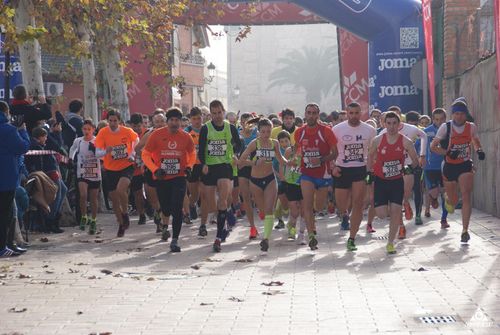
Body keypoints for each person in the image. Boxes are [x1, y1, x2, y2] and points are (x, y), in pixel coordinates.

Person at [142, 107, 196, 252]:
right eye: (171, 120)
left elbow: (192, 153)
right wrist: (155, 169)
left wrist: (190, 166)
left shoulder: (186, 137)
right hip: (162, 177)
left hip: (179, 177)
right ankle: (165, 225)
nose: (174, 123)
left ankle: (175, 240)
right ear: (167, 121)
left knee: (177, 207)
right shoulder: (156, 135)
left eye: (177, 120)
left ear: (180, 121)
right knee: (165, 207)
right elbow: (145, 154)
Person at [430, 101, 485, 243]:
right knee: (454, 201)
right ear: (452, 114)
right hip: (449, 166)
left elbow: (475, 140)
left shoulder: (471, 127)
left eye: (461, 114)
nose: (459, 117)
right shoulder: (445, 127)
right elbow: (433, 147)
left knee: (466, 194)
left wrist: (479, 150)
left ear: (466, 114)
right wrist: (447, 152)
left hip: (465, 164)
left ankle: (465, 230)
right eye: (456, 114)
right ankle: (449, 198)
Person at [368, 112, 420, 254]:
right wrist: (368, 172)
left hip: (397, 181)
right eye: (388, 123)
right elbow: (370, 155)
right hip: (380, 181)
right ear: (384, 124)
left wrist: (410, 168)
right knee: (382, 214)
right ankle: (392, 211)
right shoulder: (378, 140)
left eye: (394, 123)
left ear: (399, 125)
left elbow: (415, 161)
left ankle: (390, 242)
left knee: (396, 212)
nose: (391, 127)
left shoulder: (406, 141)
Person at [198, 100, 242, 252]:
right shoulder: (205, 128)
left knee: (222, 200)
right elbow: (201, 149)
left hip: (225, 166)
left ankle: (218, 237)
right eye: (214, 113)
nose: (217, 116)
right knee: (212, 205)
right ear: (211, 113)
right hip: (210, 168)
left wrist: (236, 154)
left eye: (219, 112)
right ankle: (228, 214)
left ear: (223, 111)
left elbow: (239, 144)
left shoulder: (230, 128)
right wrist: (203, 163)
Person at [332, 102, 376, 251]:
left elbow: (372, 152)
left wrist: (370, 169)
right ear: (347, 113)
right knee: (342, 205)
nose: (354, 116)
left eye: (357, 113)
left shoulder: (369, 130)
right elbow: (332, 151)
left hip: (360, 169)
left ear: (361, 113)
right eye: (351, 113)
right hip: (342, 169)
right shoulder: (337, 129)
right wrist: (333, 167)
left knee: (358, 204)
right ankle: (344, 215)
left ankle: (352, 238)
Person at [239, 118, 288, 251]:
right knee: (262, 210)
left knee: (269, 211)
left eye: (268, 131)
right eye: (263, 131)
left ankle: (265, 239)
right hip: (255, 181)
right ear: (258, 132)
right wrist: (254, 163)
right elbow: (241, 160)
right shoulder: (255, 144)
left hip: (270, 179)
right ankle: (264, 222)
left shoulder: (275, 143)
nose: (266, 134)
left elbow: (280, 159)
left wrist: (290, 162)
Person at [294, 103, 337, 250]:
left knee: (317, 207)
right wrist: (294, 157)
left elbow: (335, 153)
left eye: (314, 113)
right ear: (305, 114)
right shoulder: (299, 132)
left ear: (318, 115)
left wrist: (321, 160)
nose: (311, 115)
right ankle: (311, 235)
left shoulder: (326, 131)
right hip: (307, 174)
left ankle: (312, 221)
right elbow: (298, 150)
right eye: (309, 113)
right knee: (306, 204)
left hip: (323, 174)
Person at [94, 109, 139, 237]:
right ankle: (121, 224)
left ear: (119, 121)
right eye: (110, 121)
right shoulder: (103, 133)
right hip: (110, 169)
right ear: (107, 121)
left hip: (126, 166)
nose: (113, 123)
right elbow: (97, 153)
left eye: (115, 121)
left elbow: (137, 141)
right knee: (114, 200)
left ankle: (125, 213)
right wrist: (105, 151)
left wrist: (132, 154)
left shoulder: (127, 131)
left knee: (121, 190)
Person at [0, 101, 30, 257]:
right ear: (5, 112)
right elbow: (23, 147)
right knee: (6, 213)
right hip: (6, 177)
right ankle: (3, 245)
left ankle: (8, 243)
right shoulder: (9, 130)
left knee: (10, 211)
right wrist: (23, 132)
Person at [25, 127, 67, 233]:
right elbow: (56, 146)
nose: (47, 139)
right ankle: (50, 219)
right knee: (55, 194)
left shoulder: (41, 146)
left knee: (63, 189)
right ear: (40, 137)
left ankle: (54, 216)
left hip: (50, 171)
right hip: (46, 173)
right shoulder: (35, 146)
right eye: (45, 136)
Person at [135, 112, 167, 234]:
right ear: (153, 123)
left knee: (164, 196)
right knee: (152, 195)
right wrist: (144, 158)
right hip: (151, 168)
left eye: (162, 121)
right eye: (157, 121)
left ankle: (163, 222)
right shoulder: (149, 134)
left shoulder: (171, 134)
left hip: (166, 169)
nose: (159, 124)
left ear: (166, 122)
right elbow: (137, 148)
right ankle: (158, 212)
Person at [69, 119, 101, 235]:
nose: (86, 131)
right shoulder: (78, 141)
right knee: (83, 195)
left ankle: (93, 220)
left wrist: (96, 150)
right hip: (82, 171)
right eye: (84, 129)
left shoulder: (97, 141)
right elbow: (73, 149)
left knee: (93, 198)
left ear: (93, 130)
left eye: (89, 129)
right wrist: (71, 158)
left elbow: (103, 155)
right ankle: (83, 216)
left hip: (95, 172)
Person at [423, 108, 449, 228]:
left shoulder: (450, 130)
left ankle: (444, 219)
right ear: (433, 119)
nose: (439, 122)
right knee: (434, 192)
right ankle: (433, 198)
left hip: (446, 166)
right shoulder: (426, 131)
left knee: (445, 193)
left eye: (442, 119)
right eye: (437, 119)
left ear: (445, 118)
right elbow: (420, 146)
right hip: (430, 167)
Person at [237, 113, 259, 239]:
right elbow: (233, 153)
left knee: (256, 195)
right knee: (246, 197)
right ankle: (252, 227)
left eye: (249, 122)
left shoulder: (257, 135)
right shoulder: (238, 136)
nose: (247, 125)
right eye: (244, 122)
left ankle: (261, 209)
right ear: (241, 123)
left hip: (255, 168)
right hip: (242, 170)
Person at [185, 107, 204, 221]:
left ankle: (205, 213)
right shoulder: (186, 132)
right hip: (192, 166)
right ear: (190, 119)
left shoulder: (206, 129)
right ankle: (192, 205)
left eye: (199, 118)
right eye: (194, 119)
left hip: (204, 164)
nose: (197, 121)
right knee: (195, 194)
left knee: (205, 191)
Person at [129, 114, 147, 225]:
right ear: (131, 125)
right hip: (134, 169)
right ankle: (141, 214)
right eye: (134, 126)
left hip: (147, 167)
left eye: (139, 126)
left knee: (150, 191)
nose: (137, 128)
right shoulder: (129, 135)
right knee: (137, 193)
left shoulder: (147, 133)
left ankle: (151, 207)